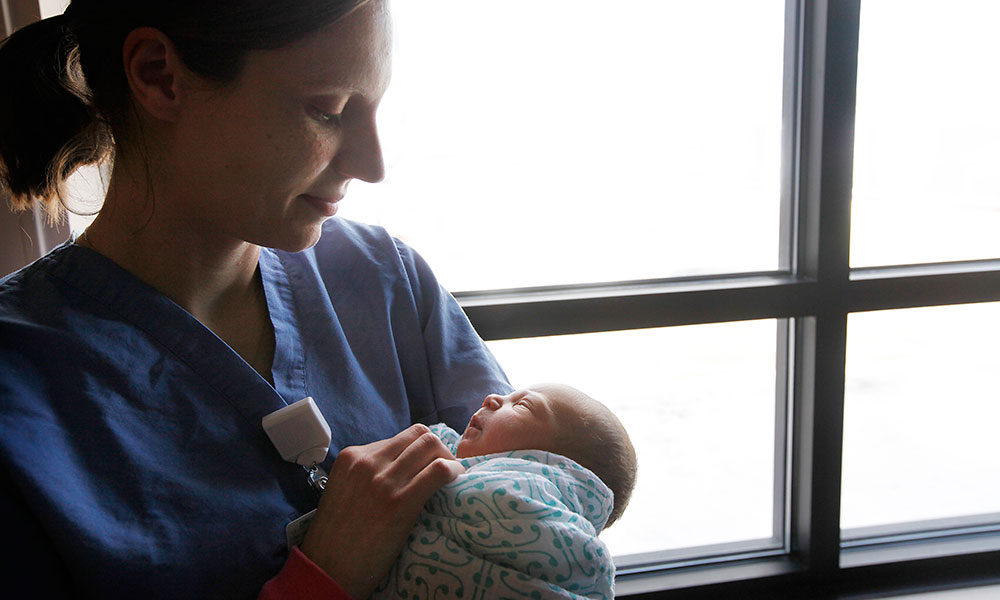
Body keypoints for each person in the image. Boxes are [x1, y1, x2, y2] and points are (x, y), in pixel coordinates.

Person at [0, 1, 513, 598]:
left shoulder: (386, 280)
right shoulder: (20, 386)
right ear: (158, 75)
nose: (372, 165)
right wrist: (325, 577)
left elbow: (543, 500)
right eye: (328, 111)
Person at [373, 384, 638, 600]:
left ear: (549, 461)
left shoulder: (528, 495)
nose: (492, 397)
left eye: (522, 405)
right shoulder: (448, 449)